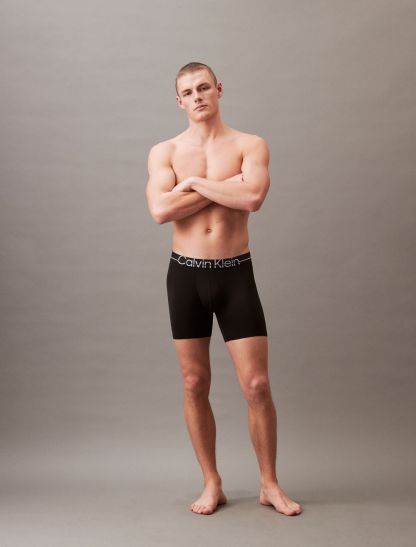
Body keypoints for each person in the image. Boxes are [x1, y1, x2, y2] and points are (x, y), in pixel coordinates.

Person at [146, 62, 302, 517]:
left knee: (257, 385)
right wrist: (222, 185)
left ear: (218, 89)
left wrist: (193, 185)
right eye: (187, 92)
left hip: (235, 274)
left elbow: (253, 198)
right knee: (194, 383)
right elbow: (160, 211)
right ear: (179, 101)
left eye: (203, 88)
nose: (197, 97)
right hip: (186, 276)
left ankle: (269, 484)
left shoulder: (250, 145)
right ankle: (211, 482)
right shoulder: (165, 151)